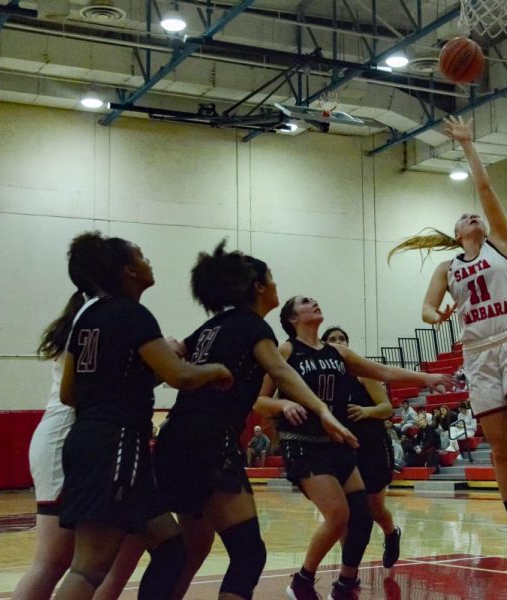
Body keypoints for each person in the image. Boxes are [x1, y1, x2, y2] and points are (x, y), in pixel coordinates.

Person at [388, 115, 507, 571]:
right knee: (501, 450)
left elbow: (485, 190)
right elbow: (426, 310)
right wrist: (439, 314)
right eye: (464, 217)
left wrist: (468, 145)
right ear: (458, 231)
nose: (473, 216)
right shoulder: (448, 269)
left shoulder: (500, 244)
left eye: (476, 215)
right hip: (478, 354)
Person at [153, 242, 357, 600]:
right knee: (249, 554)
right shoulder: (252, 326)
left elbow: (170, 359)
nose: (277, 284)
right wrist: (323, 411)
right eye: (272, 278)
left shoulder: (209, 327)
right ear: (259, 286)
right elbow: (280, 371)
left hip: (173, 438)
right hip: (209, 440)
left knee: (193, 546)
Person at [55, 233, 234, 600]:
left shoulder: (88, 319)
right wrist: (216, 369)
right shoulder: (131, 313)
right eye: (142, 256)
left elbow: (68, 393)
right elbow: (180, 375)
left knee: (171, 549)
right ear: (128, 271)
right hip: (116, 443)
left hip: (93, 439)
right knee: (89, 567)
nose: (148, 261)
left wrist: (131, 380)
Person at [262, 295, 453, 600]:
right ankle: (302, 580)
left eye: (314, 299)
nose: (314, 302)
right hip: (304, 445)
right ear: (292, 318)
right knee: (339, 516)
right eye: (304, 302)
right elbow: (259, 401)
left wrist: (426, 377)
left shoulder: (337, 353)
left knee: (363, 515)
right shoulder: (286, 350)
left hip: (338, 443)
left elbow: (384, 372)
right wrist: (283, 403)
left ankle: (345, 585)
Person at [12, 233, 145, 600]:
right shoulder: (98, 312)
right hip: (66, 435)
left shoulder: (97, 309)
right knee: (53, 560)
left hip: (85, 435)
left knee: (134, 534)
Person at [320, 325, 403, 569]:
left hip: (373, 445)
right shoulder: (326, 380)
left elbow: (386, 408)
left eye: (342, 338)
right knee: (348, 514)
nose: (339, 342)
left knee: (375, 510)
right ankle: (349, 568)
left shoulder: (363, 372)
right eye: (333, 339)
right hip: (343, 449)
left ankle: (391, 533)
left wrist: (366, 411)